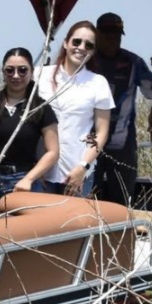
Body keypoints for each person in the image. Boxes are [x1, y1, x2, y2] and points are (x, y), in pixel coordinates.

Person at [88, 12, 152, 207]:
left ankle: (121, 234)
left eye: (116, 34)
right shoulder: (86, 61)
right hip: (87, 142)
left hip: (122, 144)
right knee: (88, 197)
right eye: (107, 33)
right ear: (97, 34)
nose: (112, 39)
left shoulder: (133, 62)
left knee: (123, 199)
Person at [34, 20, 115, 196]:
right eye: (76, 42)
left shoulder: (98, 83)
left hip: (76, 173)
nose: (81, 47)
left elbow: (102, 133)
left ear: (93, 51)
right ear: (66, 43)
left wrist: (83, 167)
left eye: (89, 45)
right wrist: (33, 167)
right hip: (39, 171)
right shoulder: (40, 75)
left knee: (74, 223)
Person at [0, 47, 60, 207]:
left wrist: (29, 179)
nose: (16, 75)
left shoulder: (41, 108)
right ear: (3, 73)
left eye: (22, 70)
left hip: (22, 181)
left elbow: (53, 152)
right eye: (10, 70)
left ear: (32, 72)